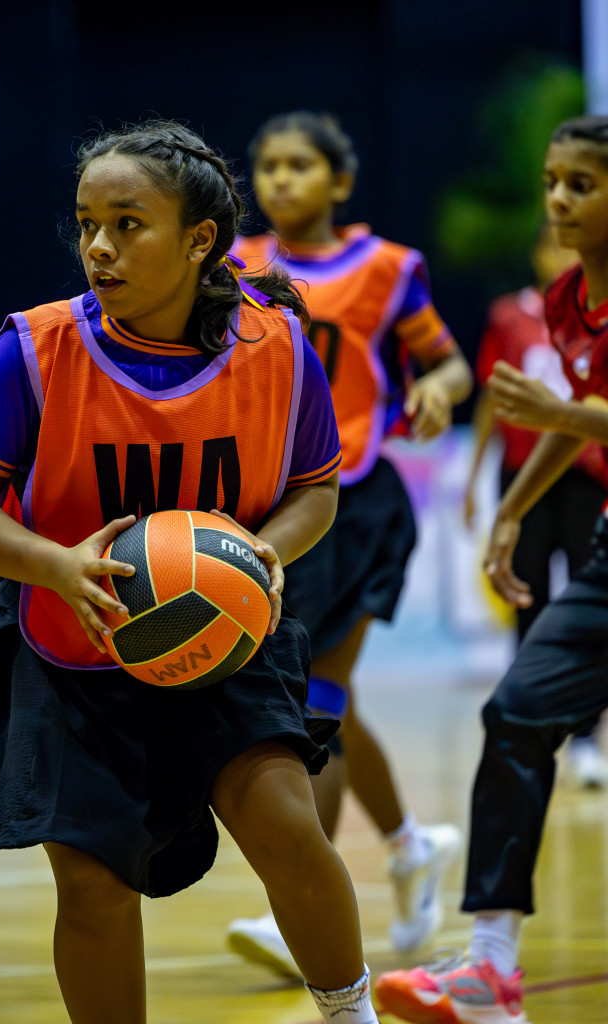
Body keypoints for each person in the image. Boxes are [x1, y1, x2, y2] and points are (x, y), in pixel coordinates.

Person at [0, 120, 383, 1024]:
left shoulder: (278, 348)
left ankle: (349, 1011)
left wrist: (265, 552)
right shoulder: (34, 350)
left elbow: (316, 491)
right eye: (88, 222)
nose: (98, 245)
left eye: (128, 223)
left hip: (219, 639)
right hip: (69, 649)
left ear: (199, 238)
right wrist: (54, 564)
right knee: (93, 886)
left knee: (288, 823)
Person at [227, 111, 473, 977]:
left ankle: (287, 909)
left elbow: (446, 362)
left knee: (315, 702)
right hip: (274, 504)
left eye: (300, 166)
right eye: (267, 166)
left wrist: (440, 391)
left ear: (340, 181)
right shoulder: (231, 267)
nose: (281, 181)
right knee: (326, 694)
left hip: (360, 505)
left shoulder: (388, 269)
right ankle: (407, 847)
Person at [375, 113, 608, 1024]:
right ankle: (489, 968)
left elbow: (577, 413)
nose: (557, 198)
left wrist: (567, 416)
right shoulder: (565, 301)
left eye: (580, 184)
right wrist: (510, 509)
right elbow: (580, 411)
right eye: (553, 180)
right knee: (515, 712)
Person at [464, 224, 608, 789]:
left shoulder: (595, 313)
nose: (562, 255)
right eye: (553, 245)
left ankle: (587, 738)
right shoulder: (512, 314)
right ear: (538, 251)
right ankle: (534, 722)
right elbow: (489, 398)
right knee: (528, 601)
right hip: (524, 473)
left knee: (586, 599)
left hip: (585, 476)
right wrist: (476, 478)